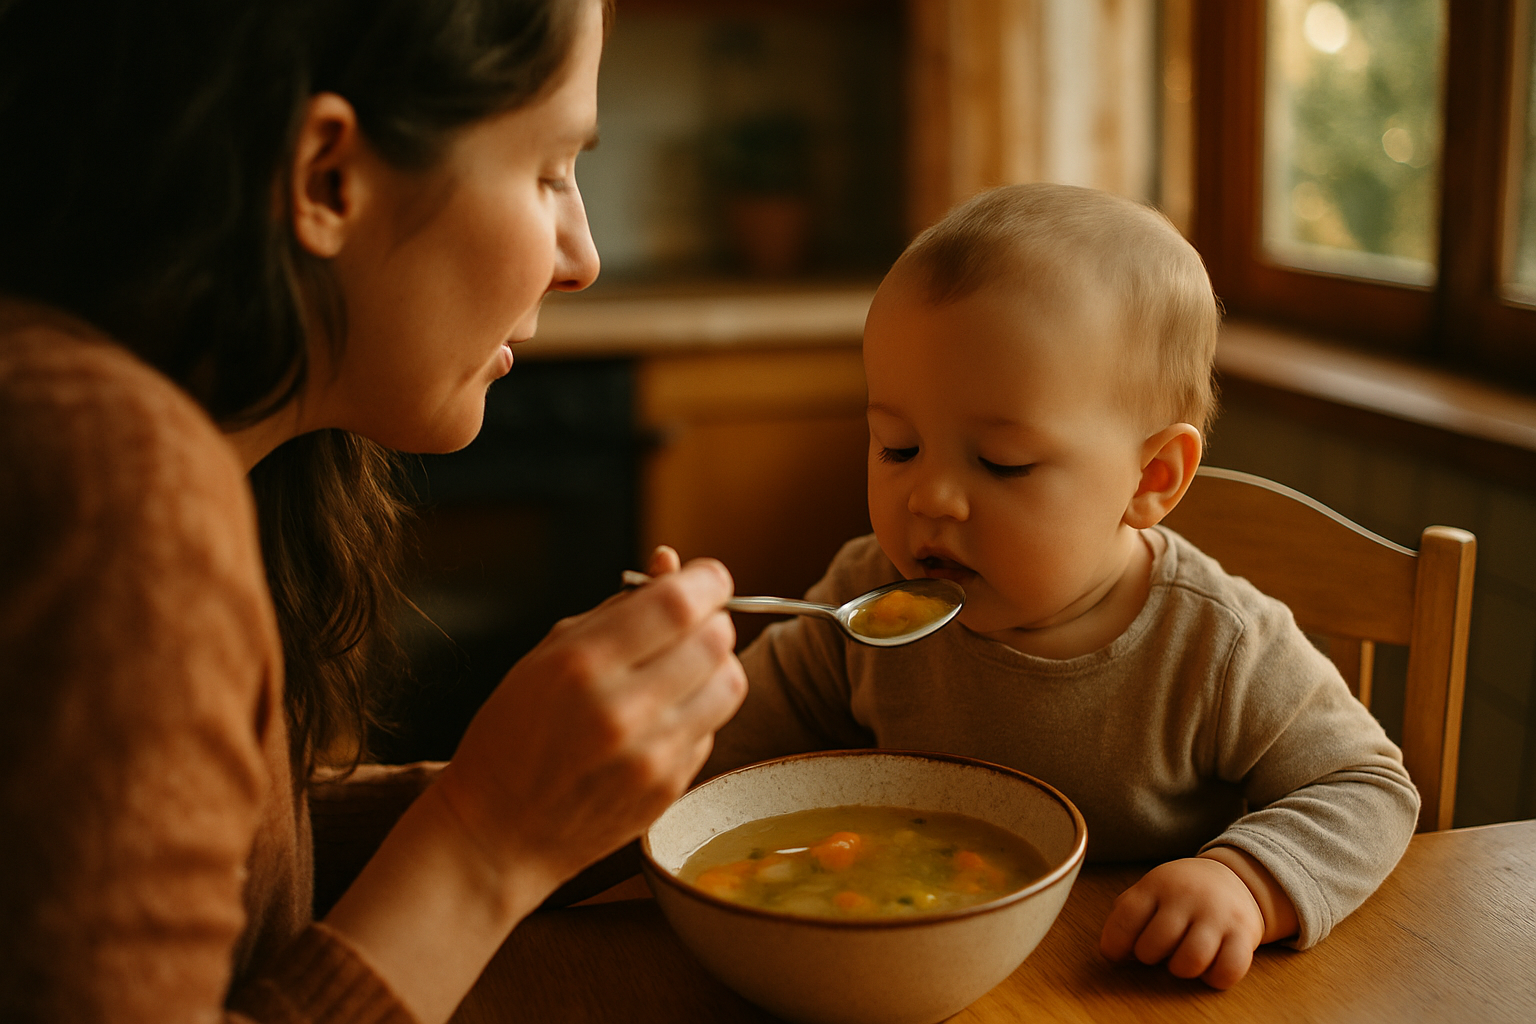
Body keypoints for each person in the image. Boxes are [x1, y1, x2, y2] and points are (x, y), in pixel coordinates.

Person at [0, 1, 746, 1021]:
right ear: (328, 179)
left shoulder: (149, 435)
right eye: (547, 171)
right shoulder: (116, 483)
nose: (582, 257)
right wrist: (487, 839)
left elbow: (225, 872)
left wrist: (576, 792)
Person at [701, 183, 1419, 990]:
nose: (930, 496)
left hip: (1121, 987)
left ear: (1151, 477)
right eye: (897, 447)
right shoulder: (869, 597)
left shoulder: (1217, 645)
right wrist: (674, 691)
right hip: (909, 975)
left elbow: (1367, 787)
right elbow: (717, 759)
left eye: (1003, 463)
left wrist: (1247, 883)